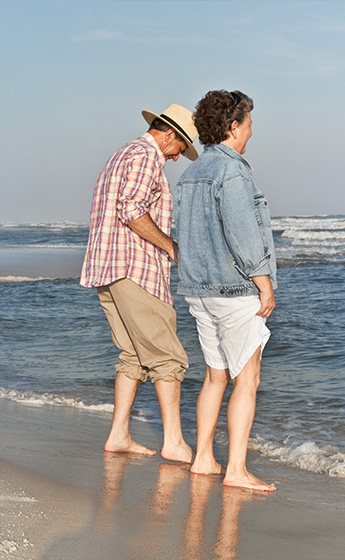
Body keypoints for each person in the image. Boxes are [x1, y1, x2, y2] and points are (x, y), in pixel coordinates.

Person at [80, 103, 199, 462]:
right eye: (181, 148)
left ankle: (118, 435)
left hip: (107, 267)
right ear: (169, 134)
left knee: (132, 355)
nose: (178, 158)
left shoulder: (121, 154)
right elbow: (131, 209)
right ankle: (174, 442)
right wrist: (172, 247)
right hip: (135, 268)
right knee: (167, 357)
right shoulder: (147, 157)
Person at [173, 90, 278, 492]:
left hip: (199, 290)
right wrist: (264, 284)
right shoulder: (232, 173)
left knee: (215, 376)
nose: (252, 130)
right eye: (248, 123)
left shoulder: (190, 174)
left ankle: (202, 459)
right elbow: (243, 235)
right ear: (233, 127)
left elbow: (186, 233)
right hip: (234, 290)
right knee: (246, 378)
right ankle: (235, 469)